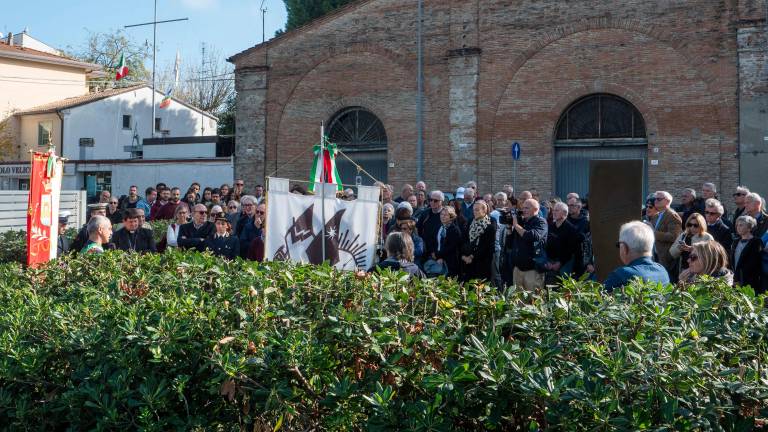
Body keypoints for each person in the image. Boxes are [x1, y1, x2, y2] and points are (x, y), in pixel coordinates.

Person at [604, 221, 670, 292]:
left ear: (624, 247)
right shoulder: (662, 271)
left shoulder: (621, 275)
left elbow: (598, 300)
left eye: (618, 245)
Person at [503, 198, 548, 290]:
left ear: (535, 209)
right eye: (523, 208)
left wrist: (516, 225)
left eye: (527, 208)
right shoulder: (522, 222)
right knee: (518, 301)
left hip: (532, 269)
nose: (523, 210)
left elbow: (533, 236)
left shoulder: (541, 222)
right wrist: (509, 228)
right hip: (518, 269)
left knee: (533, 300)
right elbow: (510, 244)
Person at [460, 201, 497, 282]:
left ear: (484, 210)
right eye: (473, 210)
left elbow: (486, 246)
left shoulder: (490, 225)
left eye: (477, 210)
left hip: (482, 263)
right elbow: (464, 239)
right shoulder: (470, 222)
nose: (474, 212)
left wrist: (472, 257)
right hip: (467, 262)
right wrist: (463, 256)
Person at [648, 191, 683, 274]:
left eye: (659, 199)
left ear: (667, 201)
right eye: (655, 199)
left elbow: (673, 236)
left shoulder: (672, 215)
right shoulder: (656, 215)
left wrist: (653, 232)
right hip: (654, 255)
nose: (656, 201)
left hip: (666, 257)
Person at [545, 202, 578, 280]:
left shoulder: (571, 229)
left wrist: (560, 262)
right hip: (550, 261)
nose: (554, 212)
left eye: (557, 210)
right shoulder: (550, 227)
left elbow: (571, 249)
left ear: (564, 213)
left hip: (565, 264)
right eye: (554, 210)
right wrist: (547, 261)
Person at [730, 215, 764, 292]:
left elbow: (752, 263)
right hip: (736, 279)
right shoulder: (736, 241)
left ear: (749, 227)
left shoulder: (756, 242)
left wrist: (739, 278)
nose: (738, 227)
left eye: (741, 225)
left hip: (750, 281)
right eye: (737, 225)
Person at [566, 196, 594, 277]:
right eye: (568, 205)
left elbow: (588, 242)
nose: (569, 208)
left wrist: (589, 262)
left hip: (581, 259)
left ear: (578, 207)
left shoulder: (586, 221)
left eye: (572, 205)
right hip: (567, 258)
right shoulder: (566, 219)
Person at [431, 206, 462, 277]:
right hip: (437, 258)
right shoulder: (438, 226)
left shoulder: (454, 230)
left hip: (450, 261)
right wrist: (434, 253)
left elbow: (451, 247)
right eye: (441, 214)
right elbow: (433, 241)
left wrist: (439, 256)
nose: (442, 216)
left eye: (445, 215)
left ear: (451, 217)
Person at [417, 191, 445, 263]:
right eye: (430, 200)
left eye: (435, 201)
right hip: (426, 250)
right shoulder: (425, 213)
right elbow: (418, 229)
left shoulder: (446, 214)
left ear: (441, 201)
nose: (432, 202)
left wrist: (439, 254)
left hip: (440, 253)